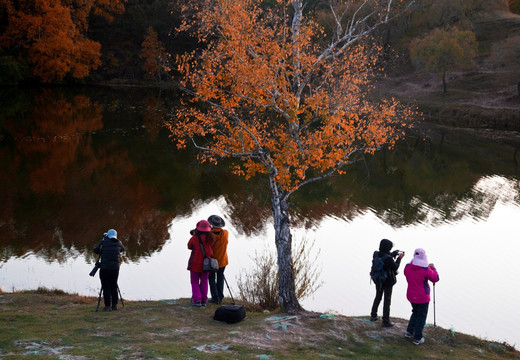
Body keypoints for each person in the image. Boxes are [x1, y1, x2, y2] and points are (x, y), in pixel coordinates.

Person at [404, 248, 439, 345]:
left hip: (411, 296)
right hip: (423, 297)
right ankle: (417, 338)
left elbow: (409, 273)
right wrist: (433, 269)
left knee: (415, 312)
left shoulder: (407, 267)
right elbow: (435, 279)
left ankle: (409, 332)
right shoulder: (426, 269)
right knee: (421, 317)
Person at [370, 238, 404, 327]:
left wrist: (392, 254)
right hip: (387, 282)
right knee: (387, 300)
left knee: (378, 296)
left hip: (378, 280)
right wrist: (399, 259)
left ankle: (373, 315)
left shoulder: (375, 253)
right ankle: (385, 321)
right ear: (388, 248)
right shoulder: (389, 258)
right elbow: (395, 267)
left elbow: (384, 257)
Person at [93, 229, 125, 312]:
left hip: (105, 269)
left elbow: (95, 250)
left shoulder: (104, 242)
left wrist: (101, 242)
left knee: (106, 287)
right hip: (115, 269)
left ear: (108, 236)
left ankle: (107, 307)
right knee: (114, 286)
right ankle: (115, 305)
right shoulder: (119, 243)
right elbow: (122, 249)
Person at [187, 219, 214, 307]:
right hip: (206, 264)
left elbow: (189, 246)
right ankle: (203, 300)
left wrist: (194, 235)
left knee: (194, 281)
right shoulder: (211, 238)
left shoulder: (195, 238)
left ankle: (197, 300)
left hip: (195, 263)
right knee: (204, 281)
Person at [207, 215, 229, 304]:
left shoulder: (210, 235)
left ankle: (215, 297)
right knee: (220, 277)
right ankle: (220, 296)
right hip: (223, 261)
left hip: (213, 261)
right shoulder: (226, 233)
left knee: (211, 278)